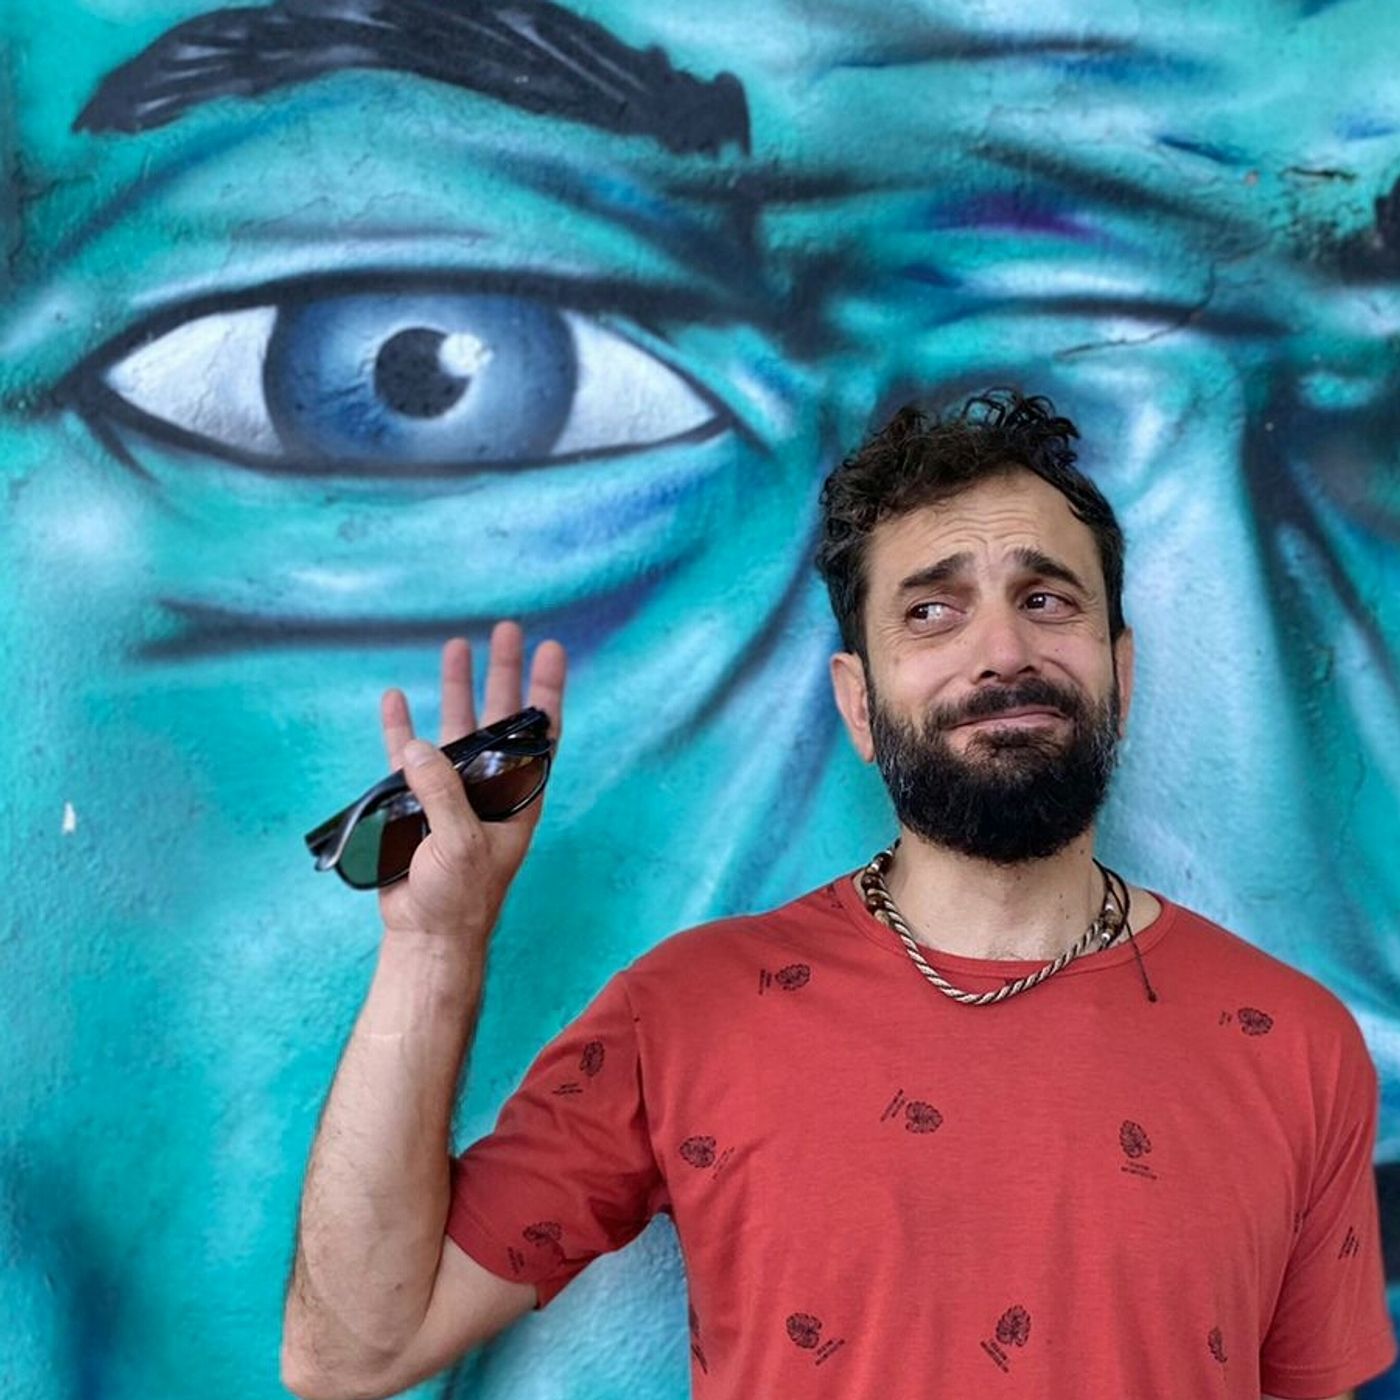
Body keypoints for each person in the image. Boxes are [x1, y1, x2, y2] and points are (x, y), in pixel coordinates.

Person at [280, 391, 1396, 1399]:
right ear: (858, 706)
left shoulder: (1293, 1043)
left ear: (1122, 670)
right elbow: (351, 1353)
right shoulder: (686, 1012)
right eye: (931, 611)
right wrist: (436, 946)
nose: (1002, 649)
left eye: (1047, 599)